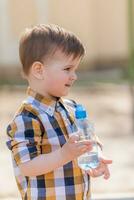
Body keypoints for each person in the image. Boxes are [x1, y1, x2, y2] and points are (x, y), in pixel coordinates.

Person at [6, 24, 112, 200]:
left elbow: (88, 138)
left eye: (75, 69)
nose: (74, 76)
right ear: (39, 70)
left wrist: (96, 154)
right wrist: (65, 154)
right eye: (67, 69)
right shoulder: (27, 117)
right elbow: (27, 166)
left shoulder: (71, 108)